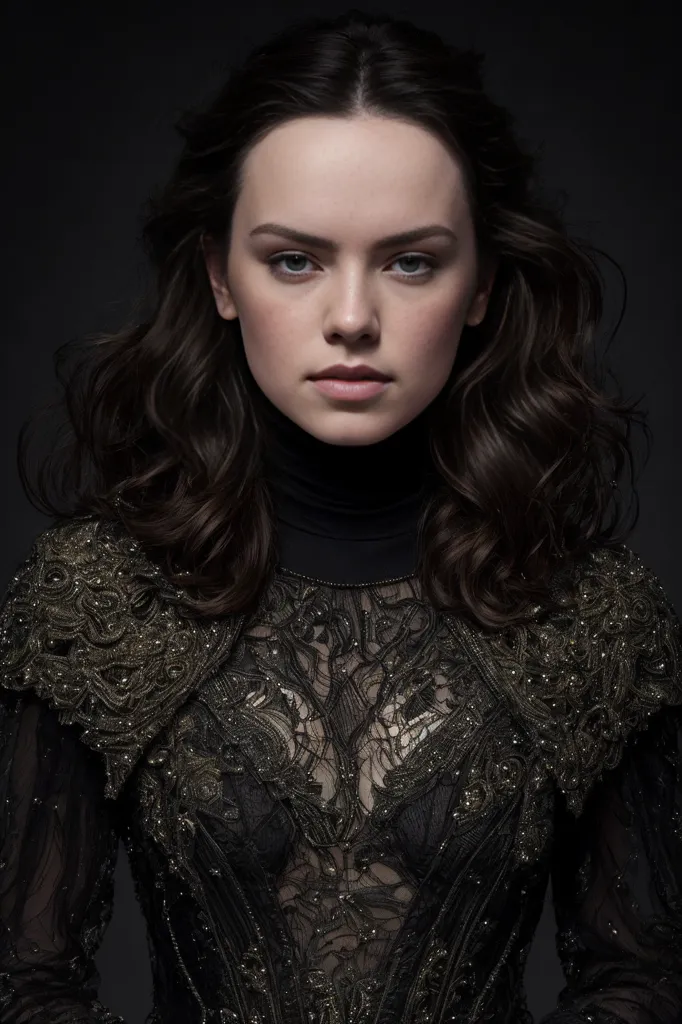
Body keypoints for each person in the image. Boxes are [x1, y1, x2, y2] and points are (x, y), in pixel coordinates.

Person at [1, 8, 680, 1024]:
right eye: (294, 260)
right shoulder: (96, 599)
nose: (353, 317)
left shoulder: (591, 614)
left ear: (483, 283)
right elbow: (22, 981)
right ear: (219, 278)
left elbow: (642, 979)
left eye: (410, 260)